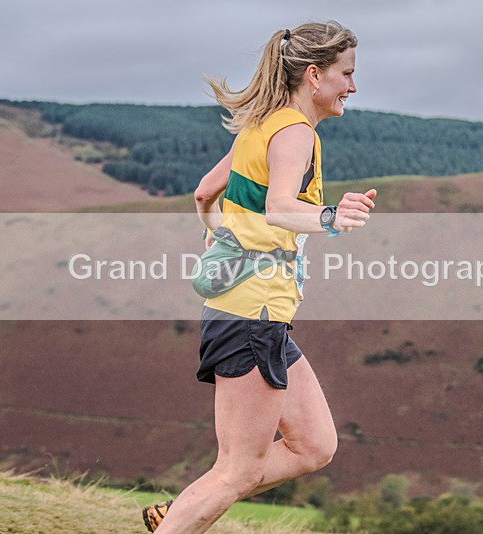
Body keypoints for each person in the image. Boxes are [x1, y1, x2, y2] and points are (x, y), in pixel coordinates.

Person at [143, 20, 377, 533]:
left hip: (254, 316)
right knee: (239, 470)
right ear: (314, 75)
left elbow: (206, 191)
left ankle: (182, 510)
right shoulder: (295, 133)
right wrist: (331, 217)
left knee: (315, 445)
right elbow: (278, 209)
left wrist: (216, 234)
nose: (353, 87)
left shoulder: (261, 125)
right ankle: (183, 518)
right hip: (251, 316)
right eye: (347, 74)